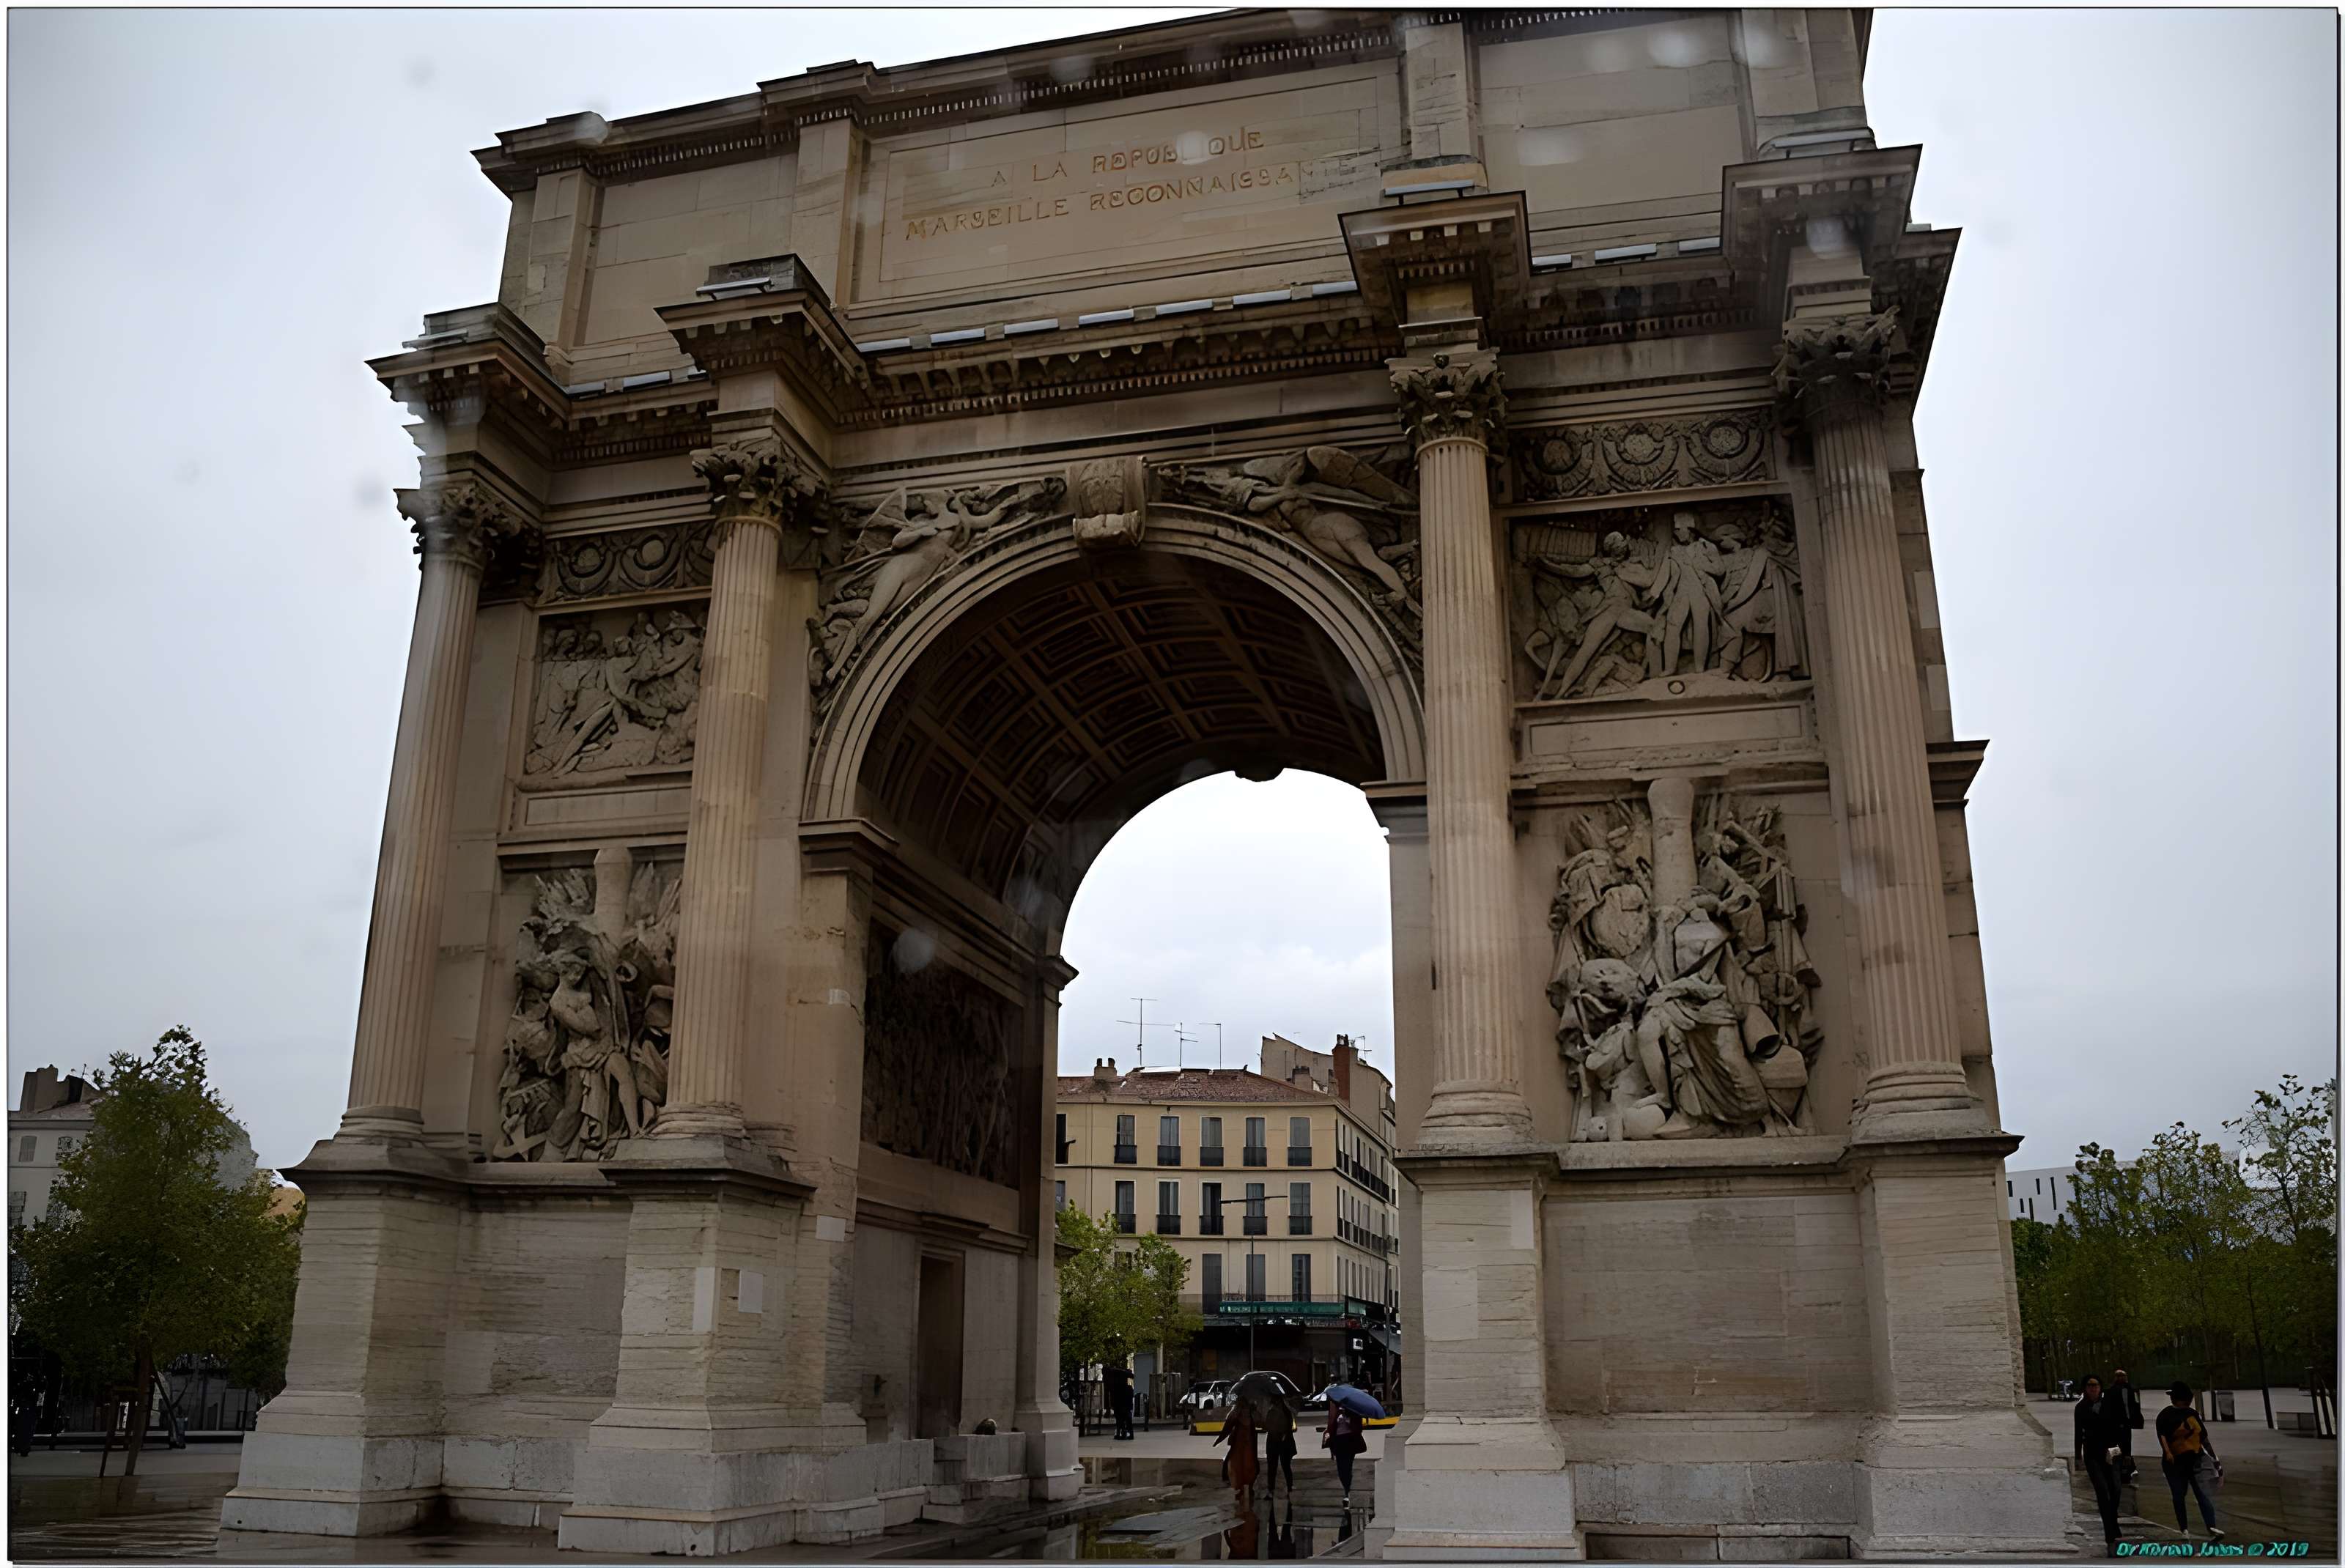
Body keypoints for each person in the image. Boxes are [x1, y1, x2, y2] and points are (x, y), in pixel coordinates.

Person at [2155, 1382, 2223, 1539]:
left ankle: (2211, 1527)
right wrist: (2168, 1452)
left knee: (2201, 1494)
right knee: (2179, 1494)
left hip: (2194, 1461)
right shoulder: (2165, 1415)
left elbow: (2203, 1438)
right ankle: (2184, 1529)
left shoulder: (2192, 1414)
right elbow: (2162, 1436)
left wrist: (2214, 1458)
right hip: (2174, 1464)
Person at [2072, 1375, 2127, 1553]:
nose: (2093, 1388)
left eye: (2095, 1385)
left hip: (2112, 1451)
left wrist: (2125, 1452)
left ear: (2100, 1387)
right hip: (2092, 1454)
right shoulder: (2081, 1408)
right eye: (2089, 1386)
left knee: (2116, 1489)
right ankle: (2110, 1536)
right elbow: (2078, 1433)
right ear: (2085, 1388)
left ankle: (2113, 1523)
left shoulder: (2110, 1404)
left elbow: (2122, 1427)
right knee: (2103, 1492)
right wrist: (2077, 1457)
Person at [1323, 1399, 1367, 1504]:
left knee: (1347, 1466)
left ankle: (1348, 1491)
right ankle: (1346, 1487)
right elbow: (1331, 1427)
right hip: (1339, 1442)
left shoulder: (1354, 1413)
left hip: (1350, 1441)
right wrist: (1331, 1448)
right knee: (1340, 1469)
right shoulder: (1336, 1412)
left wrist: (1348, 1420)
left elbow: (1358, 1429)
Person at [2110, 1369, 2143, 1483]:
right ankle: (2123, 1467)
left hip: (2125, 1422)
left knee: (2125, 1445)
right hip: (2118, 1422)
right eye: (2119, 1376)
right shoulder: (2114, 1390)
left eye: (2122, 1376)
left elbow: (2135, 1405)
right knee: (2121, 1445)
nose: (2121, 1378)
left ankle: (2126, 1467)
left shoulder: (2130, 1390)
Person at [1264, 1420, 1297, 1495]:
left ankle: (1272, 1489)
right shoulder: (1286, 1411)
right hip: (1281, 1441)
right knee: (1285, 1466)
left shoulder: (1272, 1411)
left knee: (1274, 1467)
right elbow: (1292, 1427)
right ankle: (1289, 1486)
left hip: (1276, 1441)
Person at [1104, 1359, 1135, 1441]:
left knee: (1120, 1417)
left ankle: (1121, 1433)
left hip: (1120, 1401)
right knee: (1124, 1417)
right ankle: (1125, 1433)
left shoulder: (1115, 1384)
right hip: (1124, 1401)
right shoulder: (1125, 1385)